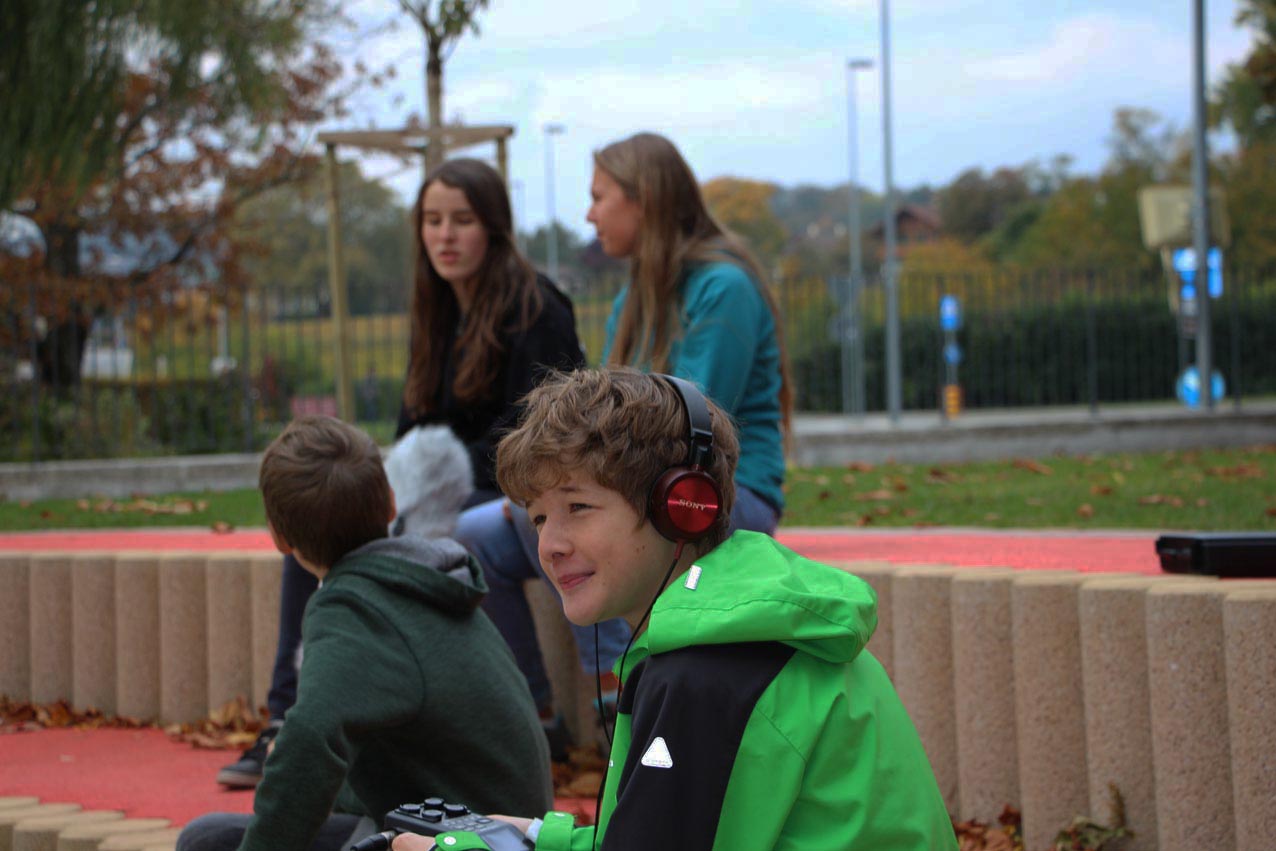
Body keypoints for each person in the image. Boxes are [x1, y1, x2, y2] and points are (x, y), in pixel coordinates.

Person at [392, 368, 956, 851]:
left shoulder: (707, 674)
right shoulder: (730, 628)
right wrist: (538, 836)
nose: (550, 545)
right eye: (538, 518)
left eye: (578, 507)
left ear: (682, 507)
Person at [217, 157, 595, 786]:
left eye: (461, 220)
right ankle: (290, 716)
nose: (444, 235)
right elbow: (413, 425)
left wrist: (425, 485)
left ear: (493, 226)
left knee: (428, 531)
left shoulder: (537, 308)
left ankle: (531, 715)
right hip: (437, 488)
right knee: (314, 527)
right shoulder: (435, 307)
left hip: (505, 488)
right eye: (432, 220)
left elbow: (539, 439)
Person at [457, 131, 792, 727]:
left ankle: (620, 683)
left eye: (598, 197)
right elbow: (607, 418)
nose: (589, 215)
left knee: (553, 517)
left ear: (644, 199)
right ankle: (530, 716)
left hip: (718, 491)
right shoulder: (631, 299)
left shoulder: (724, 288)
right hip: (632, 484)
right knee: (478, 533)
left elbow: (693, 427)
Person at [180, 415, 553, 851]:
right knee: (211, 836)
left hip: (459, 838)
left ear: (279, 538)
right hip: (490, 826)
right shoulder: (425, 577)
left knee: (206, 844)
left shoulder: (356, 610)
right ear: (391, 503)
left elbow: (309, 744)